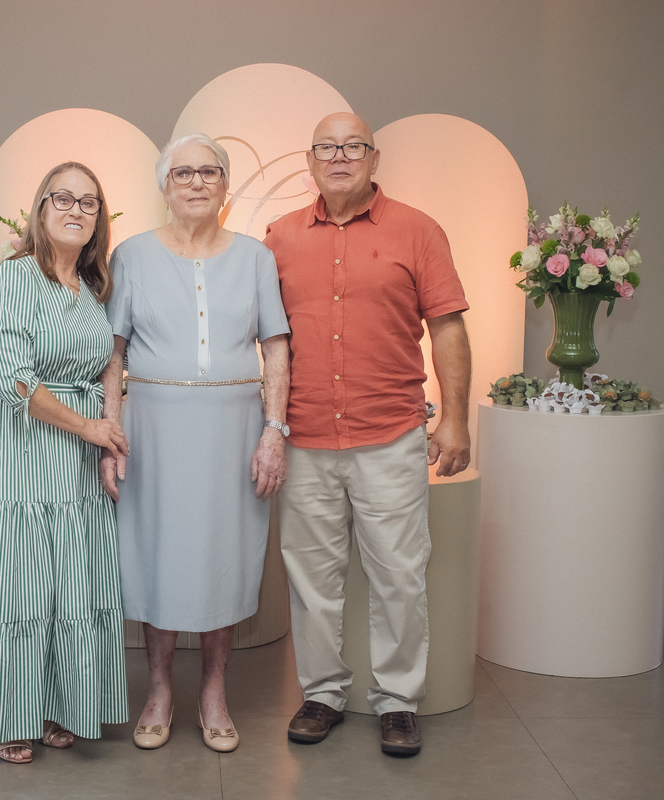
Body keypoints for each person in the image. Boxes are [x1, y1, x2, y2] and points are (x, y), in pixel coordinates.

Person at [263, 113, 472, 756]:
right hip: (304, 438)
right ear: (310, 160)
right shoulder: (279, 236)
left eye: (353, 146)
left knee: (400, 576)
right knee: (312, 580)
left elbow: (448, 327)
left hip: (390, 434)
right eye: (327, 147)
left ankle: (398, 701)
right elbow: (266, 339)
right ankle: (322, 693)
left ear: (374, 158)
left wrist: (456, 419)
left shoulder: (419, 230)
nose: (340, 156)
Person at [99, 133, 291, 753]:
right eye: (183, 173)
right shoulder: (131, 255)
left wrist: (274, 431)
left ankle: (213, 690)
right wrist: (110, 435)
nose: (197, 182)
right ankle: (158, 689)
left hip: (234, 433)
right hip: (152, 432)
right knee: (157, 555)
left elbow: (276, 349)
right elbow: (112, 354)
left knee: (222, 557)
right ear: (164, 186)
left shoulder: (256, 258)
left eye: (210, 171)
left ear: (226, 186)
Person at [0, 162, 130, 764]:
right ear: (40, 208)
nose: (76, 210)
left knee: (71, 587)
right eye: (63, 198)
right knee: (21, 587)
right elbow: (14, 380)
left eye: (89, 202)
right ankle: (11, 713)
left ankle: (59, 705)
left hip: (77, 467)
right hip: (27, 456)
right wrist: (92, 428)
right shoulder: (11, 278)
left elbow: (108, 365)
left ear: (98, 219)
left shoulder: (91, 288)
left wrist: (102, 434)